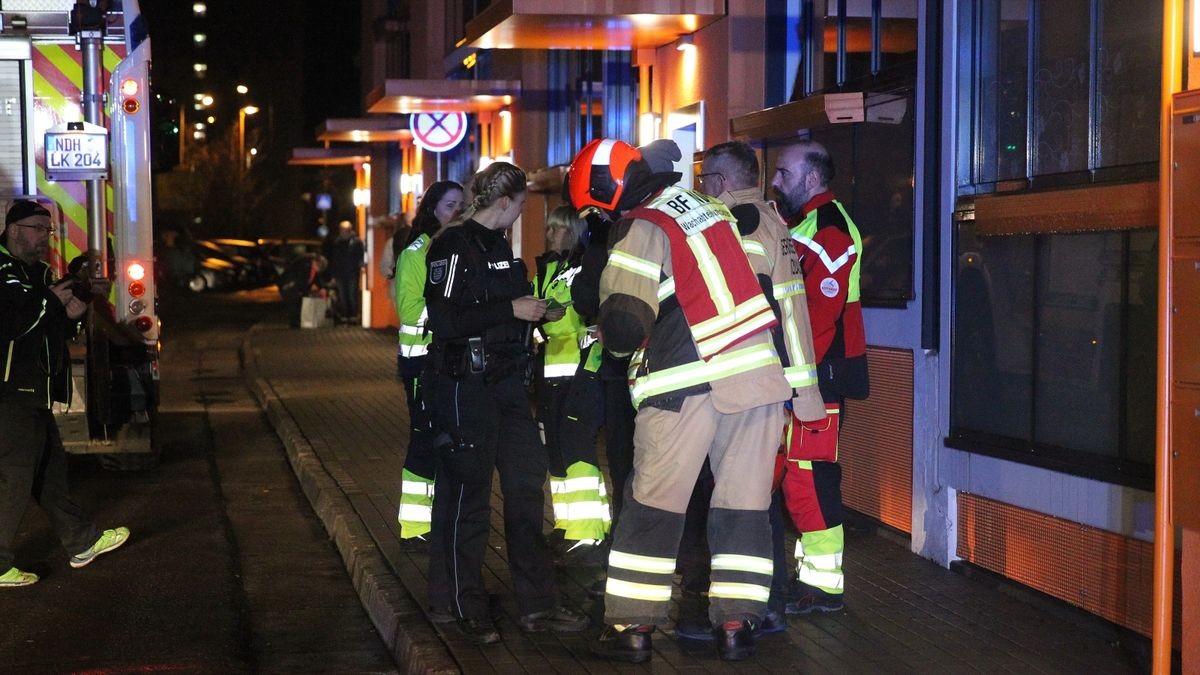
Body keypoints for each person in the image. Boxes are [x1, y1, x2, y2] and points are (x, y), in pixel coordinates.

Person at [566, 139, 792, 663]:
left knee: (654, 507)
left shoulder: (641, 224)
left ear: (605, 194)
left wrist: (607, 322)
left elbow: (623, 323)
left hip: (683, 382)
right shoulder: (715, 209)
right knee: (743, 508)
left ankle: (631, 627)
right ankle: (737, 626)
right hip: (758, 381)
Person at [422, 162, 588, 644]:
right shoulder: (452, 245)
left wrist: (535, 314)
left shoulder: (498, 246)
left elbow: (502, 310)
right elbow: (445, 319)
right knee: (467, 497)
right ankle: (458, 603)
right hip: (464, 385)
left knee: (523, 490)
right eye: (519, 205)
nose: (520, 214)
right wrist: (510, 309)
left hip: (508, 383)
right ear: (504, 202)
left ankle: (538, 605)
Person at [674, 140, 829, 639]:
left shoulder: (728, 229)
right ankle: (770, 605)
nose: (701, 191)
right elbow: (794, 317)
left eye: (703, 182)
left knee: (730, 503)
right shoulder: (776, 227)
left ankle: (735, 608)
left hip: (731, 385)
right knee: (756, 500)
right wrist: (803, 396)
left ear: (719, 183)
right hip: (773, 384)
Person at [0, 200, 131, 588]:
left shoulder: (38, 272)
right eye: (39, 229)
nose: (45, 238)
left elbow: (50, 329)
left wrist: (77, 307)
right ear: (14, 229)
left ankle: (82, 542)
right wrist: (51, 300)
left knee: (50, 473)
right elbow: (13, 321)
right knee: (16, 476)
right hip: (9, 390)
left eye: (48, 230)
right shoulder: (3, 270)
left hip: (34, 389)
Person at [771, 138, 869, 614]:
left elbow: (816, 314)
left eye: (783, 173)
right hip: (805, 376)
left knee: (809, 478)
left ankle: (823, 587)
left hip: (817, 379)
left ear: (811, 177)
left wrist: (795, 378)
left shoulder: (828, 230)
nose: (775, 181)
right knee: (798, 476)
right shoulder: (804, 224)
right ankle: (812, 579)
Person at [392, 180, 463, 624]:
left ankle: (423, 523)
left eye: (461, 205)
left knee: (434, 440)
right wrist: (448, 312)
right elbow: (408, 309)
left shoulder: (446, 248)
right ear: (432, 209)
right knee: (422, 439)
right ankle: (414, 527)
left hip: (438, 361)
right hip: (419, 362)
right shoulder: (417, 250)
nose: (456, 212)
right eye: (449, 205)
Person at [533, 206, 610, 561]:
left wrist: (544, 316)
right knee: (558, 455)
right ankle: (567, 524)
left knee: (578, 451)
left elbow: (569, 317)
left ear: (574, 231)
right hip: (550, 374)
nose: (550, 235)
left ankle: (589, 531)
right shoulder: (549, 267)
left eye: (556, 229)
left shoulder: (584, 268)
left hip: (581, 371)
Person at [277, 252, 328, 328]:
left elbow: (316, 277)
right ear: (315, 263)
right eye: (317, 268)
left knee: (299, 304)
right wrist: (305, 292)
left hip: (295, 287)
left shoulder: (312, 266)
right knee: (294, 305)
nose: (317, 270)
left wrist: (321, 288)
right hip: (289, 286)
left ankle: (297, 324)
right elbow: (301, 280)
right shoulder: (304, 265)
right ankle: (295, 325)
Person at [329, 219, 365, 322]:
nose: (342, 232)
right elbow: (335, 260)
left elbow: (359, 257)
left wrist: (359, 267)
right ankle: (345, 315)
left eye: (344, 230)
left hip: (352, 273)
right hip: (341, 273)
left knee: (352, 295)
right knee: (343, 296)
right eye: (341, 230)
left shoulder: (356, 242)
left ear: (349, 230)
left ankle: (352, 316)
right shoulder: (337, 243)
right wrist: (334, 275)